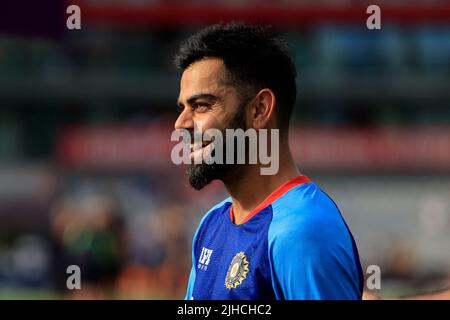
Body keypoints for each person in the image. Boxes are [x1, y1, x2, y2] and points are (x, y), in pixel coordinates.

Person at [173, 22, 363, 300]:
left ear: (260, 109)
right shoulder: (212, 224)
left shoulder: (303, 233)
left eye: (201, 105)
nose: (181, 123)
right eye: (183, 107)